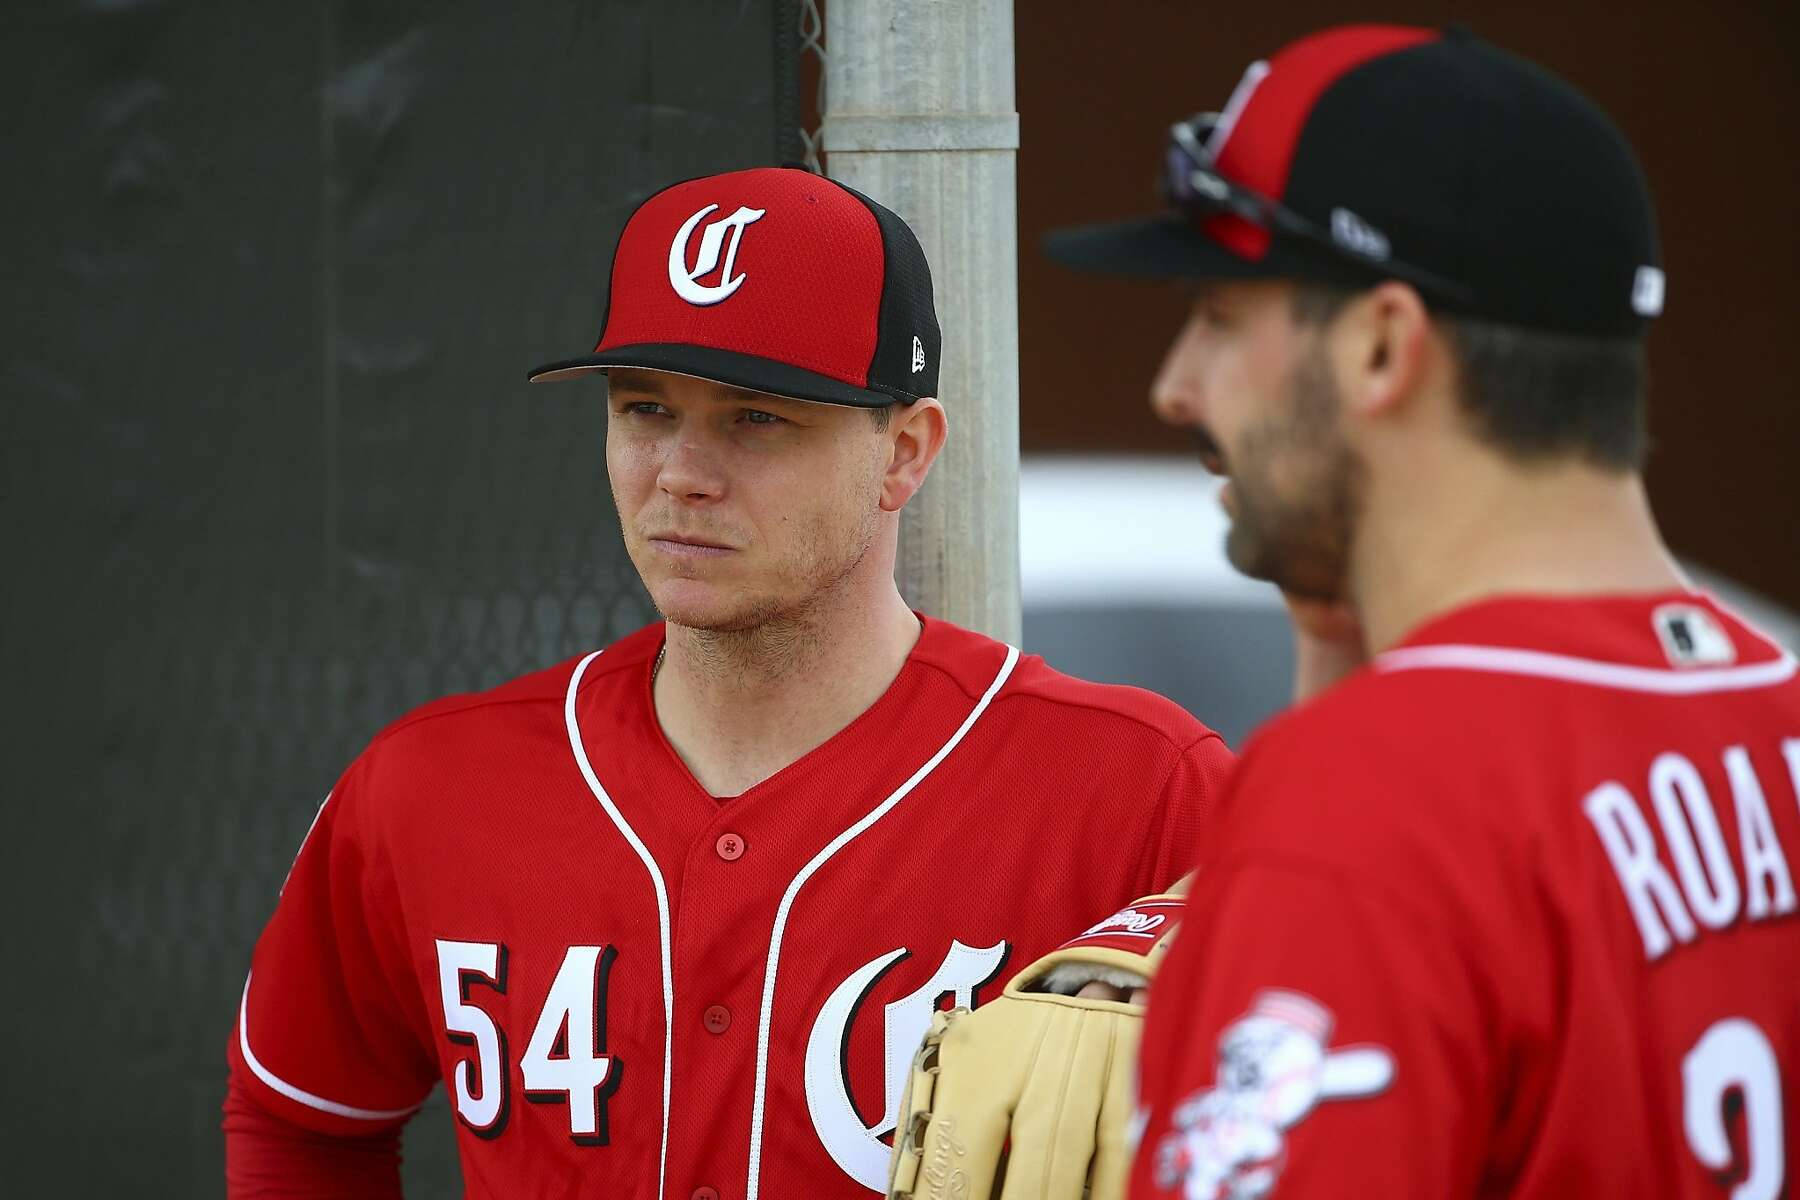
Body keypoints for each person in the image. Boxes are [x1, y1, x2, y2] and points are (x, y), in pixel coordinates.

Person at [889, 23, 1800, 1200]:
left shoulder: (1378, 808)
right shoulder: (1770, 723)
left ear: (1379, 346)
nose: (1176, 385)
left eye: (1220, 314)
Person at [222, 165, 1232, 1199]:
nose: (680, 473)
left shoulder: (1141, 794)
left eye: (757, 419)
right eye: (646, 408)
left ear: (905, 453)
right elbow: (300, 1121)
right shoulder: (428, 787)